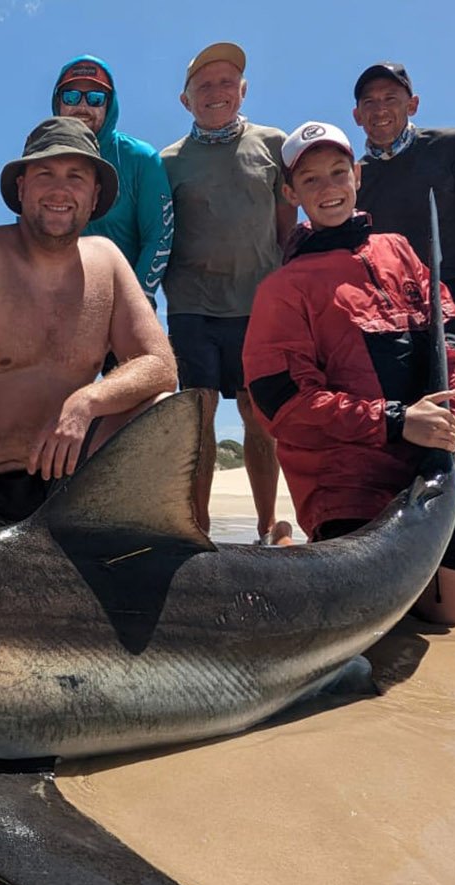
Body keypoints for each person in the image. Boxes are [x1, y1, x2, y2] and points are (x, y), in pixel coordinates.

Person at [242, 123, 455, 624]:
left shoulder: (400, 251)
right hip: (346, 481)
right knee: (361, 633)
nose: (328, 188)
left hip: (429, 466)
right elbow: (283, 407)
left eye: (338, 172)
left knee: (453, 624)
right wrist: (395, 420)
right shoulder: (281, 289)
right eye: (310, 180)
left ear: (358, 175)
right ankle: (287, 544)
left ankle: (293, 548)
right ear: (291, 193)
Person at [0, 117, 179, 539]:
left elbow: (161, 367)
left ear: (94, 196)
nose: (59, 190)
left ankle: (173, 544)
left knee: (163, 406)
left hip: (61, 489)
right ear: (21, 189)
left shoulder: (106, 261)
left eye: (76, 176)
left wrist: (87, 400)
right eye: (44, 174)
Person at [160, 42, 296, 545]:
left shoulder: (274, 143)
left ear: (242, 91)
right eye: (203, 87)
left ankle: (266, 526)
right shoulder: (169, 161)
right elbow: (161, 232)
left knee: (259, 417)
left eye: (225, 84)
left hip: (259, 307)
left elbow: (287, 227)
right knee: (199, 420)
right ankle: (197, 526)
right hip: (192, 307)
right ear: (185, 99)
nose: (215, 94)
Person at [351, 61, 455, 411]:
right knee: (403, 409)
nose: (380, 110)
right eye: (369, 102)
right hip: (392, 309)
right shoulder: (353, 178)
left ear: (413, 104)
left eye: (391, 98)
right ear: (357, 115)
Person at [48, 55, 173, 306]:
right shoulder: (38, 159)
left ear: (110, 105)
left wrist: (133, 304)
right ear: (58, 103)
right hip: (53, 311)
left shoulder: (141, 158)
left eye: (96, 98)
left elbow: (159, 236)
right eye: (71, 96)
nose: (82, 107)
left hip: (122, 311)